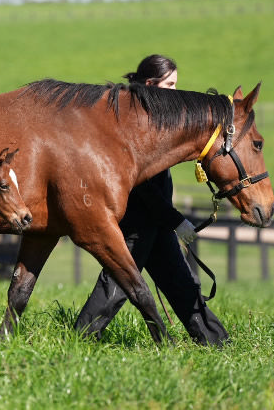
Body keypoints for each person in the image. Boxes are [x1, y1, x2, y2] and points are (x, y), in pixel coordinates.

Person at [74, 54, 229, 346]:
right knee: (117, 284)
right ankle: (81, 338)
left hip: (154, 222)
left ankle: (216, 341)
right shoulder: (137, 122)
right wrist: (176, 220)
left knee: (181, 283)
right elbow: (143, 185)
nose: (175, 91)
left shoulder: (155, 118)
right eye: (169, 85)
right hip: (136, 219)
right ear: (150, 84)